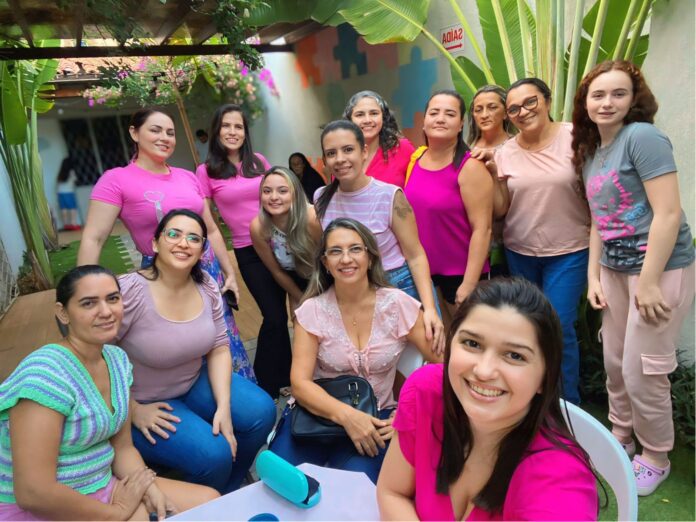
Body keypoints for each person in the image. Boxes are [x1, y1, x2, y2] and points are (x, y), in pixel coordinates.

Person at [0, 265, 218, 521]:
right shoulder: (45, 375)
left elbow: (123, 449)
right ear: (63, 313)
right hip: (49, 507)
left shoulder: (116, 360)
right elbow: (33, 493)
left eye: (113, 299)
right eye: (88, 303)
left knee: (210, 503)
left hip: (103, 485)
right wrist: (116, 513)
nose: (106, 312)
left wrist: (149, 489)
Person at [571, 60, 695, 496]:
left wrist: (649, 281)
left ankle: (656, 456)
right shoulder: (591, 151)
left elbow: (669, 213)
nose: (607, 103)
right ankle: (620, 436)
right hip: (614, 269)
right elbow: (598, 222)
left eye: (618, 93)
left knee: (644, 369)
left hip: (659, 269)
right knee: (615, 361)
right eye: (598, 95)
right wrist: (594, 277)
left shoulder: (642, 137)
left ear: (633, 99)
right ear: (585, 103)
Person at [377, 277, 598, 520]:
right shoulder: (427, 392)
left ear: (545, 379)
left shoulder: (559, 483)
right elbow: (393, 493)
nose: (484, 371)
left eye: (514, 355)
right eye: (472, 343)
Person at [77, 108, 254, 381]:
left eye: (170, 132)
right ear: (134, 133)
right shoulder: (116, 180)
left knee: (222, 335)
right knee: (177, 338)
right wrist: (84, 290)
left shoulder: (187, 177)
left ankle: (237, 389)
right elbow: (94, 237)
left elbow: (211, 230)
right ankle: (186, 392)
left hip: (207, 269)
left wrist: (229, 272)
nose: (165, 137)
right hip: (161, 274)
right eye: (155, 130)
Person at [269, 218, 443, 483]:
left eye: (355, 249)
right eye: (335, 251)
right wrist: (349, 417)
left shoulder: (398, 305)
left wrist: (410, 413)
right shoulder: (311, 311)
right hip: (317, 415)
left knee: (353, 491)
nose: (346, 259)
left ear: (370, 258)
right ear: (325, 263)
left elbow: (445, 365)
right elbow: (300, 384)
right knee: (281, 482)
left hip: (378, 420)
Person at [115, 209, 276, 494]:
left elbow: (219, 346)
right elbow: (96, 356)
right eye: (173, 234)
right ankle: (194, 500)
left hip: (192, 381)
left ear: (202, 251)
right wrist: (133, 410)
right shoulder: (128, 291)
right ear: (155, 243)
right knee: (213, 455)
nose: (183, 243)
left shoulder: (206, 285)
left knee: (262, 412)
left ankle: (225, 491)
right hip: (143, 400)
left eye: (194, 238)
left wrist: (223, 407)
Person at [478, 78, 590, 405]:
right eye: (514, 108)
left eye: (530, 102)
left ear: (547, 101)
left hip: (569, 250)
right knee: (527, 326)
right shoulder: (505, 153)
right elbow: (501, 209)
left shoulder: (576, 137)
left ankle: (566, 405)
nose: (523, 112)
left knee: (558, 324)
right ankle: (531, 399)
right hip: (521, 251)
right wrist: (494, 175)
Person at [314, 120, 444, 353]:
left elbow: (415, 255)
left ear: (364, 152)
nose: (340, 159)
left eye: (348, 149)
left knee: (428, 360)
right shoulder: (321, 198)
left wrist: (430, 309)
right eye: (331, 153)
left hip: (399, 287)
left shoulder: (389, 196)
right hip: (354, 296)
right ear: (325, 159)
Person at [197, 103, 292, 397]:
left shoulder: (258, 161)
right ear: (216, 131)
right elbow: (210, 224)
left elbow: (278, 197)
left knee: (289, 314)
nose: (232, 131)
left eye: (238, 126)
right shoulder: (206, 171)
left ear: (245, 132)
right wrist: (226, 268)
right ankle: (264, 383)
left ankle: (289, 376)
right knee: (274, 316)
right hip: (248, 252)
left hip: (280, 244)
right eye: (226, 126)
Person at [404, 89, 493, 318]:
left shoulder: (470, 166)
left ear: (461, 124)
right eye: (434, 113)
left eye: (450, 114)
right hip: (423, 276)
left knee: (466, 337)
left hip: (461, 277)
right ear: (424, 121)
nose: (440, 119)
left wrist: (469, 283)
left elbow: (483, 229)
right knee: (438, 339)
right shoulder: (416, 160)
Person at [250, 167, 323, 312]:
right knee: (300, 320)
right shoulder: (258, 227)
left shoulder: (313, 219)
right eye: (267, 191)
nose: (273, 197)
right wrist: (302, 300)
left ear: (295, 194)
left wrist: (314, 299)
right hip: (295, 283)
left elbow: (327, 263)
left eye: (282, 191)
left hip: (324, 278)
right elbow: (277, 271)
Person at [343, 90, 415, 188]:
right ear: (350, 120)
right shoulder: (341, 155)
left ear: (383, 117)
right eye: (360, 115)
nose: (367, 120)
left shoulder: (402, 148)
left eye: (374, 113)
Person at [56, 155, 81, 230]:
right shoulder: (71, 172)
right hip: (69, 192)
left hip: (60, 193)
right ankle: (73, 223)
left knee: (63, 208)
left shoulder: (60, 173)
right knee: (72, 207)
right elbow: (75, 180)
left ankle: (66, 224)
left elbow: (58, 183)